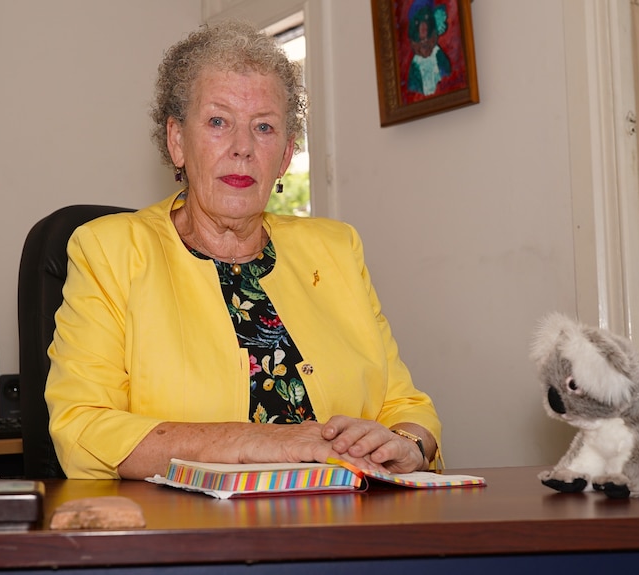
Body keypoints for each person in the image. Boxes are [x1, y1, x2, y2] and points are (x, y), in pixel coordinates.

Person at [45, 20, 442, 480]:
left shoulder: (336, 248)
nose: (242, 148)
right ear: (177, 141)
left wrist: (408, 445)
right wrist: (263, 442)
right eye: (218, 122)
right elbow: (83, 428)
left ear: (286, 155)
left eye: (264, 127)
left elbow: (406, 405)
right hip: (185, 520)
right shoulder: (108, 251)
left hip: (347, 509)